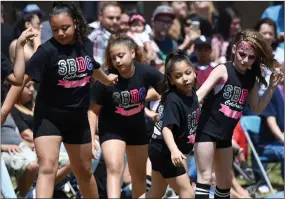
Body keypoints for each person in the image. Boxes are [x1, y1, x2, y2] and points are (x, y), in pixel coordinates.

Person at [1, 2, 118, 198]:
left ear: (75, 23)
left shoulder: (86, 44)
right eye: (55, 29)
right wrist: (4, 110)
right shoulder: (46, 51)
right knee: (48, 168)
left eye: (65, 28)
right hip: (49, 117)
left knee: (84, 171)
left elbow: (92, 66)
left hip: (77, 119)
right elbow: (21, 81)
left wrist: (106, 80)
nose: (60, 33)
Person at [193, 30, 284, 199]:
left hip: (226, 136)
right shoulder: (222, 70)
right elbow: (200, 94)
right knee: (205, 178)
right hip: (206, 131)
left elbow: (256, 108)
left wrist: (271, 87)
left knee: (225, 182)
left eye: (251, 57)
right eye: (242, 54)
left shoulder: (252, 78)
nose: (245, 60)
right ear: (234, 49)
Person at [88, 34, 163, 198]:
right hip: (112, 128)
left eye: (121, 56)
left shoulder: (145, 72)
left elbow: (167, 90)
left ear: (133, 53)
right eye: (113, 58)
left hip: (137, 129)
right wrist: (91, 137)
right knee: (114, 167)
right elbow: (92, 110)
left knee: (139, 174)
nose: (117, 61)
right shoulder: (106, 78)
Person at [142, 50, 198, 198]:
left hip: (159, 149)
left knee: (156, 193)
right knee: (188, 194)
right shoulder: (173, 100)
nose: (185, 79)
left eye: (187, 73)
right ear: (171, 80)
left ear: (194, 73)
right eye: (178, 76)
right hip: (164, 151)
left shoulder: (193, 94)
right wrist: (174, 150)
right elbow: (166, 128)